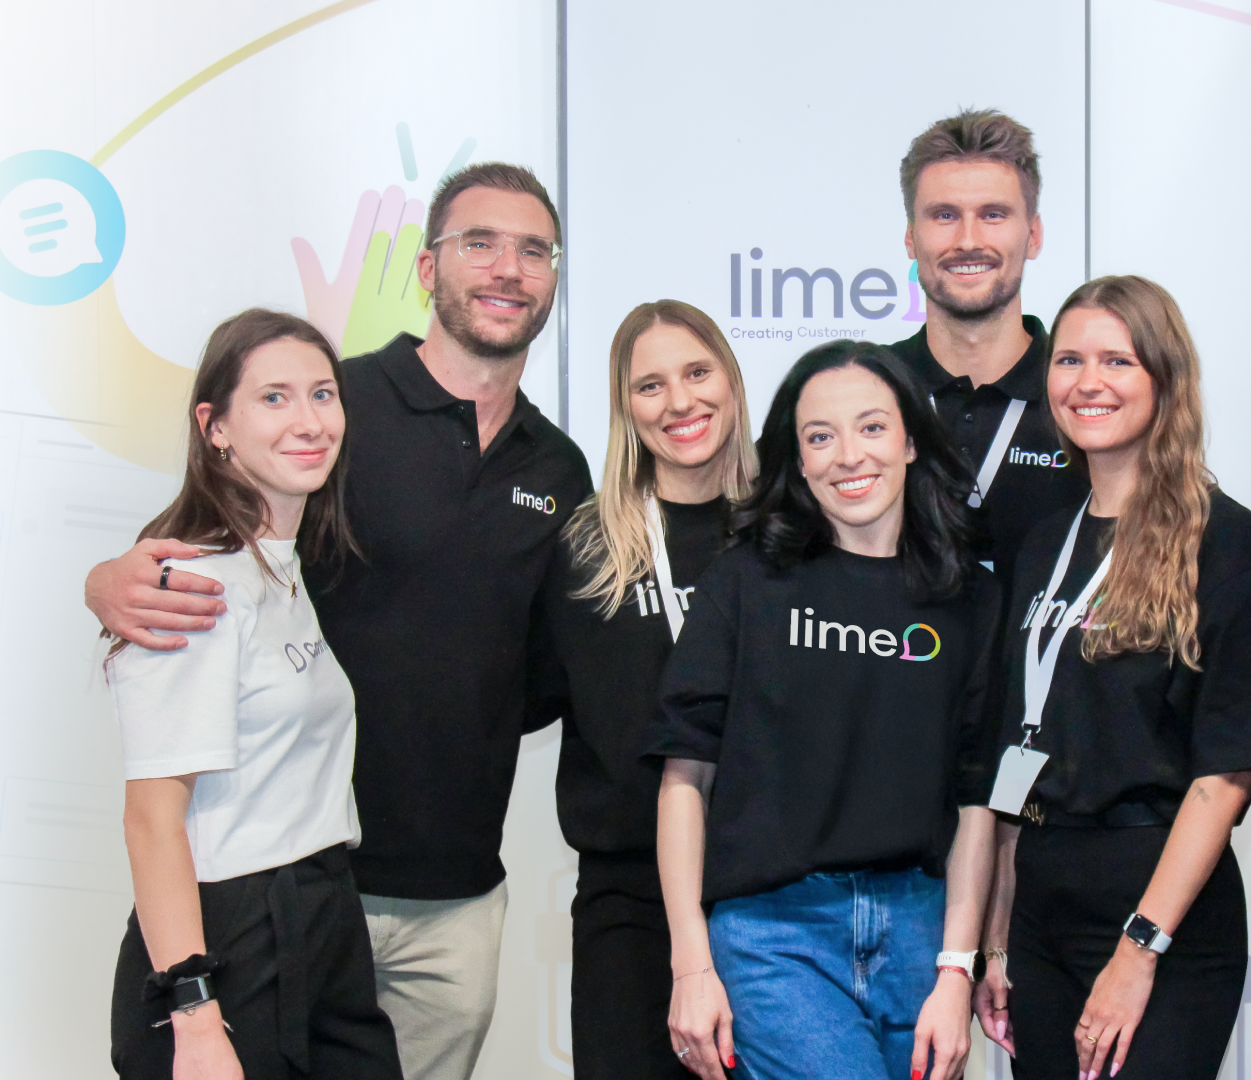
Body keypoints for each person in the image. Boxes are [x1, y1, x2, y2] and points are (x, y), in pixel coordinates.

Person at [87, 163, 591, 1080]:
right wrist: (110, 577)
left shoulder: (558, 467)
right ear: (430, 269)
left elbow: (554, 670)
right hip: (303, 884)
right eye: (478, 243)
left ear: (555, 276)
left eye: (533, 250)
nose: (506, 269)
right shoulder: (338, 403)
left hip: (459, 893)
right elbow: (215, 536)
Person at [650, 340, 1004, 1080]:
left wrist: (955, 971)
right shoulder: (745, 583)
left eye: (872, 428)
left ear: (911, 440)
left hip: (919, 927)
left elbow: (976, 799)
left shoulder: (969, 599)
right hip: (775, 934)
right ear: (798, 459)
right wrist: (691, 963)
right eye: (821, 436)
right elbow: (686, 778)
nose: (849, 456)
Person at [971, 277, 1251, 1080]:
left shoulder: (1222, 539)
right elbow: (1022, 746)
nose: (1089, 382)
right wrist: (1000, 936)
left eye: (1117, 360)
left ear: (1164, 378)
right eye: (1070, 358)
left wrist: (1139, 950)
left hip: (1159, 908)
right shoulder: (1045, 542)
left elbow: (1226, 775)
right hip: (1042, 906)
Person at [106, 309, 401, 1080]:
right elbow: (151, 820)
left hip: (322, 912)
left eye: (322, 394)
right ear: (216, 427)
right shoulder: (193, 587)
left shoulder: (285, 567)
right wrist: (195, 1015)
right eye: (274, 398)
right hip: (229, 937)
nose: (308, 420)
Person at [526, 300, 754, 1078]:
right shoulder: (586, 547)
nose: (681, 401)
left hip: (769, 899)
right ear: (626, 407)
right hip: (629, 903)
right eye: (650, 384)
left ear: (731, 378)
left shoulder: (790, 535)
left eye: (697, 372)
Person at [891, 109, 1091, 574]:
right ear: (910, 237)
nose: (967, 240)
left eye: (993, 215)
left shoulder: (1088, 398)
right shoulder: (864, 390)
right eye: (944, 215)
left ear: (1034, 235)